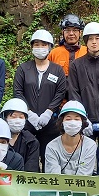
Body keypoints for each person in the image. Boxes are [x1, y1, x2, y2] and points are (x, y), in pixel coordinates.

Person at [13, 29, 67, 162]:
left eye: (44, 45)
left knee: (49, 157)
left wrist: (49, 112)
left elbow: (60, 92)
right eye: (36, 44)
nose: (40, 48)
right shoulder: (23, 69)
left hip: (50, 123)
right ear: (31, 47)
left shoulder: (57, 70)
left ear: (49, 47)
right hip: (27, 123)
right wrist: (29, 113)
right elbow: (18, 92)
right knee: (26, 157)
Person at [44, 101, 97, 176]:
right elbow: (54, 177)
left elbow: (84, 177)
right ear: (62, 122)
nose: (72, 123)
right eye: (68, 119)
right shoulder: (52, 147)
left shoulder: (90, 145)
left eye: (77, 119)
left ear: (83, 122)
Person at [1, 97, 41, 172]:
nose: (17, 120)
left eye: (21, 117)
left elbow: (32, 169)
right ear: (5, 118)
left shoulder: (31, 142)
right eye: (13, 116)